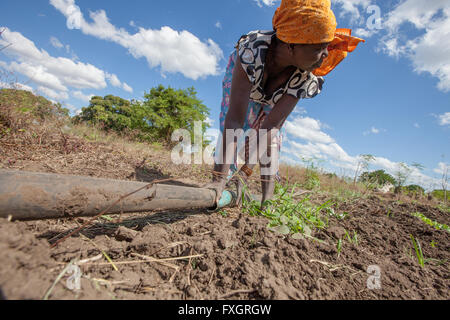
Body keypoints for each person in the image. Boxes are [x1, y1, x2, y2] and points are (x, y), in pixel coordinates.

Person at [206, 0, 365, 208]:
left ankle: (267, 197)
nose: (326, 54)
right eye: (319, 47)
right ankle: (221, 181)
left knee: (271, 142)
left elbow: (269, 129)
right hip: (246, 80)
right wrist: (218, 179)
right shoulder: (252, 50)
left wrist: (244, 175)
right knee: (235, 125)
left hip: (273, 106)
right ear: (291, 45)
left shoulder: (305, 78)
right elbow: (234, 119)